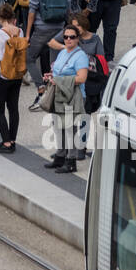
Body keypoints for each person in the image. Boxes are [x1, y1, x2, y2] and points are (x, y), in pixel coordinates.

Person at [47, 10, 104, 159]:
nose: (75, 30)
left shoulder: (95, 39)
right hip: (71, 83)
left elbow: (101, 60)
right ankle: (65, 151)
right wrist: (64, 48)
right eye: (73, 26)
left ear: (84, 25)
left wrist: (83, 58)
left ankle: (81, 147)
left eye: (78, 26)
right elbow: (52, 42)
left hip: (89, 80)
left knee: (84, 116)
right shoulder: (70, 36)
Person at [44, 25, 89, 173]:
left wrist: (60, 81)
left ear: (78, 39)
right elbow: (58, 70)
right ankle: (60, 156)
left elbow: (82, 78)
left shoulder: (81, 56)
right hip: (60, 94)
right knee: (59, 127)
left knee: (70, 129)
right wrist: (51, 76)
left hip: (74, 96)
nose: (68, 39)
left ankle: (71, 162)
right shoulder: (63, 52)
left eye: (72, 37)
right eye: (66, 37)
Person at [26, 0, 71, 102]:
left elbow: (32, 11)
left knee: (29, 58)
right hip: (59, 28)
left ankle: (41, 87)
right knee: (55, 63)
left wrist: (27, 34)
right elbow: (68, 6)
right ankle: (58, 93)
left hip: (42, 29)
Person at [0, 3, 27, 154]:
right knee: (13, 108)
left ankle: (5, 142)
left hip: (1, 73)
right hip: (16, 74)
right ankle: (12, 139)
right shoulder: (20, 31)